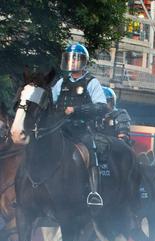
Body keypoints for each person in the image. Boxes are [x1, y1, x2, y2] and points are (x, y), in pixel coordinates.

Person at [52, 43, 108, 206]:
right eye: (70, 59)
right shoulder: (61, 83)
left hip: (82, 129)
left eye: (77, 59)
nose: (73, 63)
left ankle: (93, 192)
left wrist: (76, 110)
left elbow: (101, 106)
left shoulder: (92, 82)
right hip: (60, 128)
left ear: (84, 62)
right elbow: (51, 102)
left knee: (92, 151)